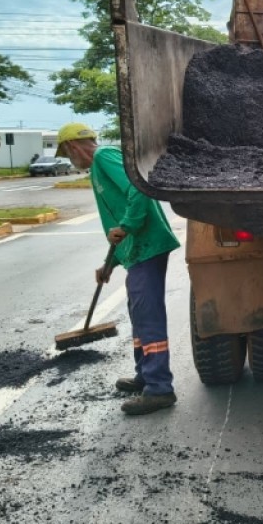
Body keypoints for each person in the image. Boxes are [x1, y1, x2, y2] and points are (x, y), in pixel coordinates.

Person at [56, 123, 181, 415]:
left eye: (67, 153)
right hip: (135, 251)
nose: (70, 160)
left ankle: (160, 389)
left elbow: (139, 190)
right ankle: (145, 375)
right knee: (138, 314)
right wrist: (109, 264)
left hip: (147, 246)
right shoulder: (98, 168)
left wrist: (127, 226)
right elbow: (118, 216)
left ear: (73, 146)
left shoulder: (104, 157)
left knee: (148, 315)